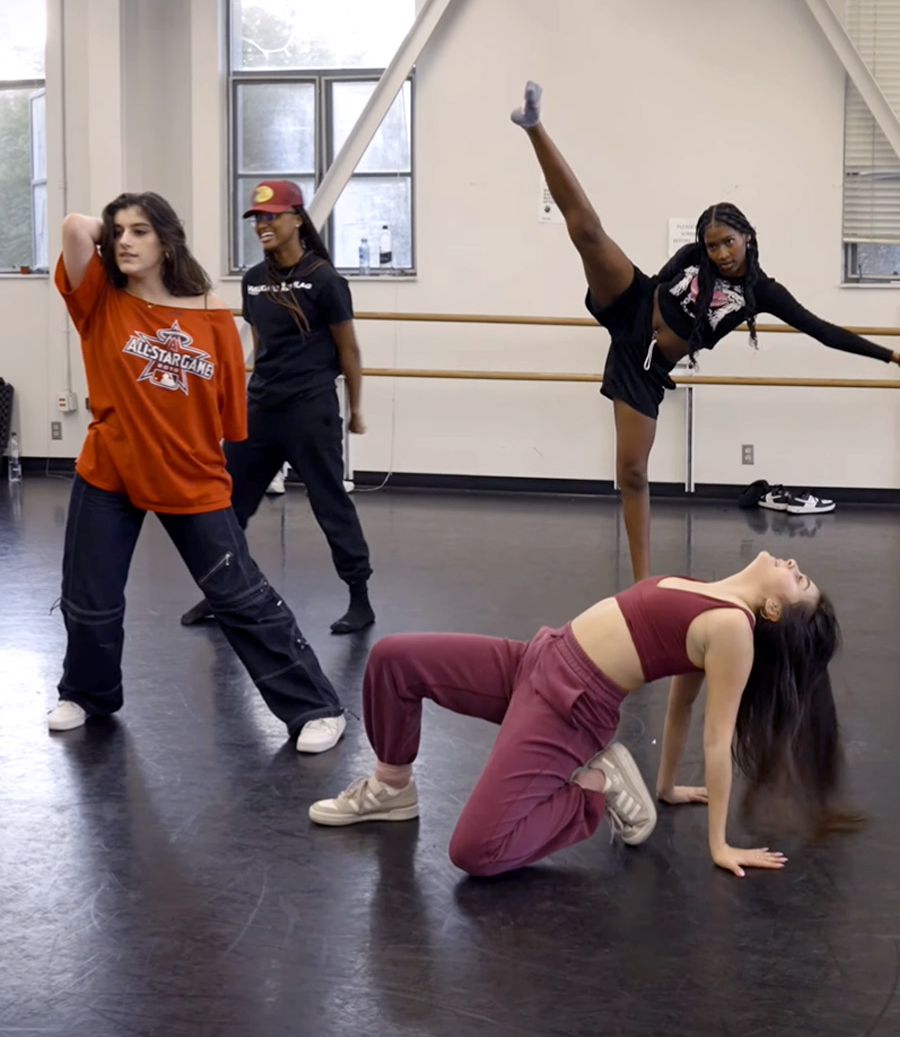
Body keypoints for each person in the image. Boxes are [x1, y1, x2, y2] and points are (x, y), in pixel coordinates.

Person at [510, 82, 900, 580]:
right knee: (587, 233)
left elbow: (822, 330)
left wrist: (895, 358)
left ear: (747, 238)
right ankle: (534, 125)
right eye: (711, 246)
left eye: (728, 243)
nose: (720, 254)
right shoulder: (694, 256)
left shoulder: (763, 294)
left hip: (643, 367)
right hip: (631, 303)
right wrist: (628, 296)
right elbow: (659, 283)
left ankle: (642, 582)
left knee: (633, 473)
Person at [309, 551, 859, 878]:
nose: (792, 564)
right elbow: (680, 702)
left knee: (476, 852)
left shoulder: (734, 628)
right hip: (538, 657)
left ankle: (597, 788)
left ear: (774, 609)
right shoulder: (710, 591)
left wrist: (719, 845)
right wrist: (667, 787)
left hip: (569, 707)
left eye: (799, 580)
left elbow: (715, 741)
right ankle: (392, 788)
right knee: (393, 659)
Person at [47, 193, 346, 753]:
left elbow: (229, 414)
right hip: (109, 470)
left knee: (240, 596)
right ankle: (86, 693)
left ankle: (315, 708)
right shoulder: (99, 301)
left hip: (190, 474)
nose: (126, 241)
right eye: (118, 233)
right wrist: (111, 229)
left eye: (141, 231)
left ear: (167, 240)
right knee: (91, 597)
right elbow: (72, 225)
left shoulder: (211, 314)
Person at [180, 180, 374, 634]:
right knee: (227, 504)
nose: (263, 225)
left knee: (331, 506)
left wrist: (357, 408)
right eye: (258, 219)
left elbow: (349, 350)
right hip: (261, 410)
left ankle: (360, 598)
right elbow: (263, 346)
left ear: (297, 220)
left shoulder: (325, 280)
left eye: (272, 217)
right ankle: (218, 592)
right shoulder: (254, 281)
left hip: (311, 410)